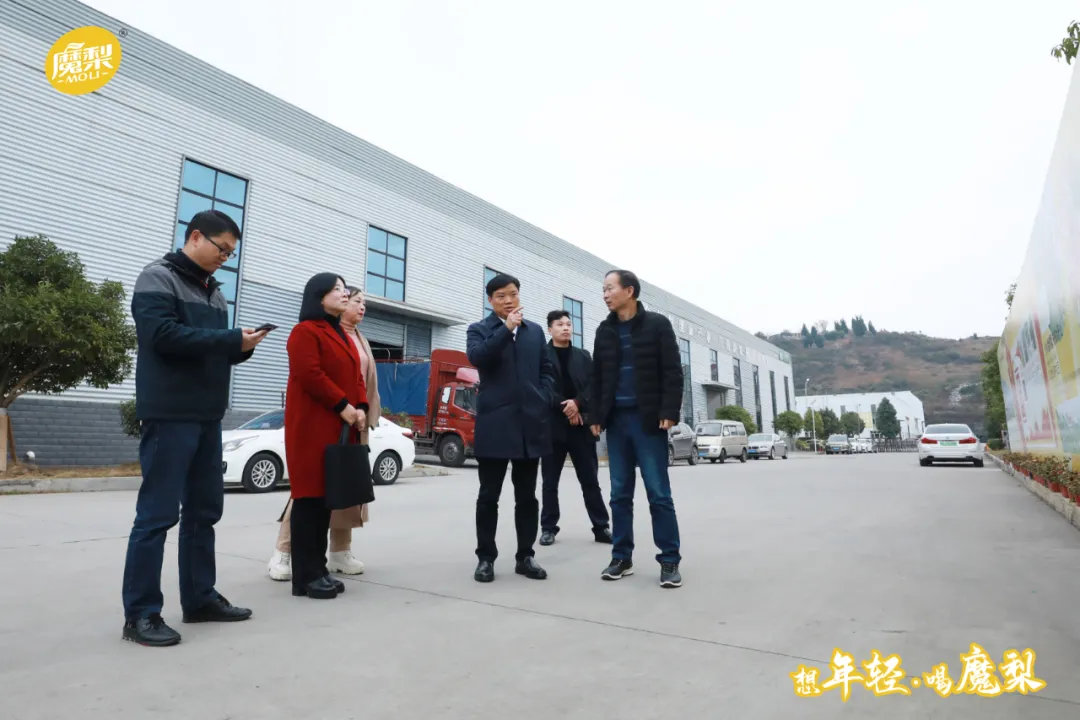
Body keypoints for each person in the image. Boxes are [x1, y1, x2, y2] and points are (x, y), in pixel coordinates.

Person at [122, 209, 269, 647]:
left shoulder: (215, 294)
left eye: (231, 253)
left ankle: (200, 598)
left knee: (204, 512)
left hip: (208, 416)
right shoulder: (157, 277)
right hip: (170, 413)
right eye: (222, 248)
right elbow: (162, 337)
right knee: (157, 515)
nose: (225, 257)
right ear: (196, 236)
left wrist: (241, 347)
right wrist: (228, 340)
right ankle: (141, 614)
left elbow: (210, 350)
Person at [268, 286, 380, 581]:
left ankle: (337, 553)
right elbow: (310, 374)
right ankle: (286, 552)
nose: (360, 306)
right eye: (355, 299)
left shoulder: (355, 337)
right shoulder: (309, 331)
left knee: (343, 490)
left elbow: (361, 378)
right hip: (324, 420)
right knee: (309, 493)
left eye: (363, 302)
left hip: (352, 422)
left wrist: (361, 408)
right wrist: (344, 405)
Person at [589, 269, 685, 588]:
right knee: (619, 494)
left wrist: (669, 410)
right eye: (603, 289)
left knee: (658, 494)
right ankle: (621, 557)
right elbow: (597, 377)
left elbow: (672, 371)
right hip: (617, 423)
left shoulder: (657, 325)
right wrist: (596, 415)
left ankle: (669, 560)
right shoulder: (604, 330)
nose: (605, 294)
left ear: (629, 291)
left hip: (649, 422)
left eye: (610, 288)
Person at [466, 273, 556, 583]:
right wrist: (506, 329)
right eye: (501, 296)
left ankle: (525, 556)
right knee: (488, 495)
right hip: (495, 424)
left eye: (513, 294)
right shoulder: (479, 330)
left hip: (530, 425)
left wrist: (543, 396)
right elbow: (478, 357)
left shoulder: (534, 332)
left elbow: (546, 369)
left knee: (527, 496)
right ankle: (486, 558)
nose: (509, 300)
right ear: (490, 300)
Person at [539, 310, 611, 546]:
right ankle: (548, 528)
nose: (566, 328)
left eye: (568, 324)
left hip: (580, 427)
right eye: (560, 324)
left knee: (590, 480)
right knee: (550, 482)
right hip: (552, 427)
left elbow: (594, 386)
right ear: (550, 329)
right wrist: (566, 407)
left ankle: (601, 527)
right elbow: (541, 388)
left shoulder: (583, 356)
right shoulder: (541, 356)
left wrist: (577, 403)